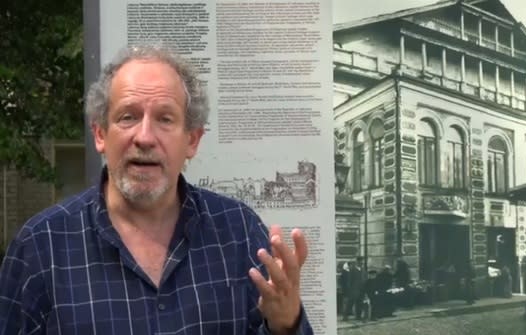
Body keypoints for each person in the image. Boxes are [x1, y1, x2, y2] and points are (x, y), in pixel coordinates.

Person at [0, 45, 313, 334]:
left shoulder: (239, 232)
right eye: (128, 117)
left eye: (165, 119)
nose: (145, 137)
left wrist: (285, 324)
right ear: (100, 134)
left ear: (192, 140)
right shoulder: (40, 247)